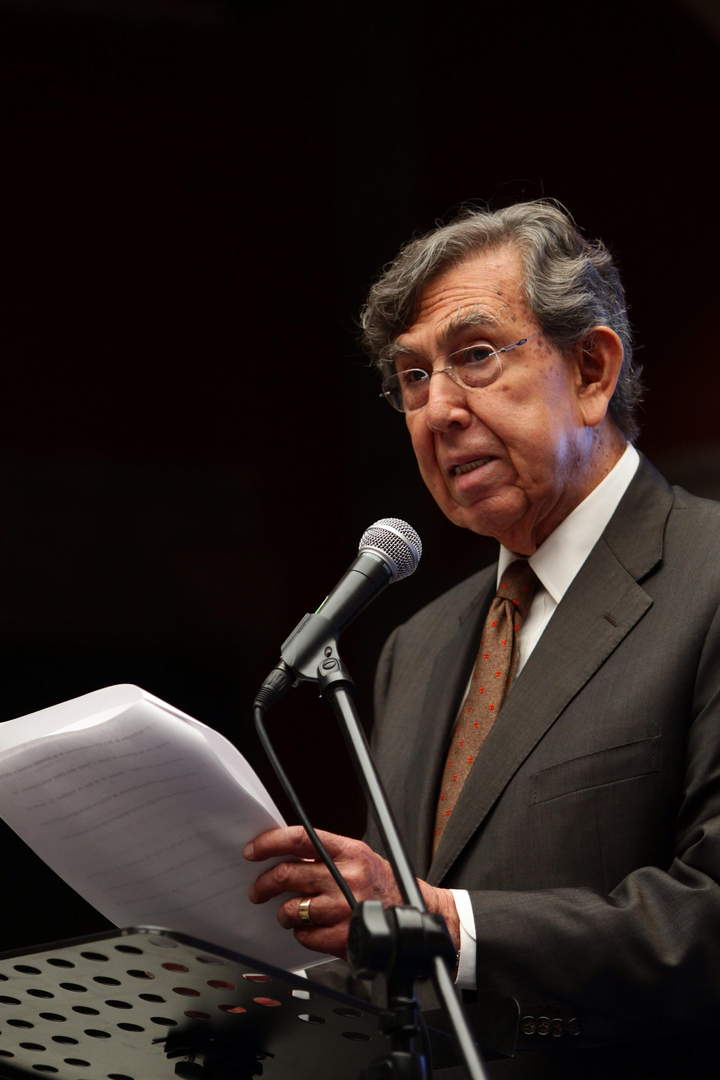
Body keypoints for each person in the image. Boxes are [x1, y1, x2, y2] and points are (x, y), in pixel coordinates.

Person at [243, 201, 720, 1077]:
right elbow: (401, 962)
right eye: (412, 376)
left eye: (474, 355)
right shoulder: (417, 646)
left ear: (591, 369)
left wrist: (444, 922)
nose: (438, 410)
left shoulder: (709, 578)